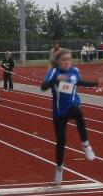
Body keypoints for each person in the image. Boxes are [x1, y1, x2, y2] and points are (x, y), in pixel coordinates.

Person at [40, 48, 97, 185]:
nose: (67, 62)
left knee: (78, 112)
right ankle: (59, 168)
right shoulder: (54, 72)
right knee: (61, 142)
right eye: (64, 60)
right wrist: (56, 79)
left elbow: (78, 82)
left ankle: (86, 145)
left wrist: (94, 83)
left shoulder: (74, 71)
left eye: (69, 59)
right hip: (59, 111)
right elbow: (43, 87)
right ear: (58, 61)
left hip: (72, 104)